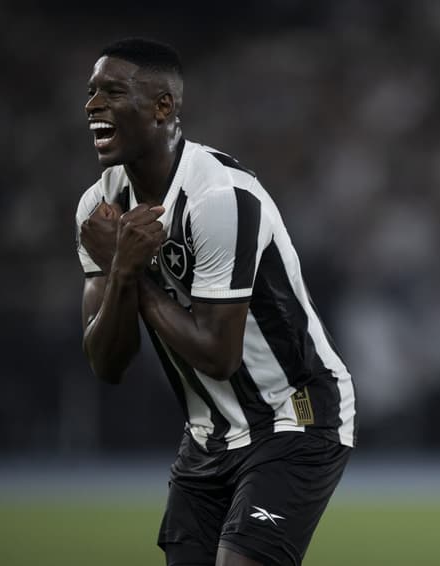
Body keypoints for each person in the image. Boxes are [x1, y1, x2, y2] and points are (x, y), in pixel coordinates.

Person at [75, 38, 357, 566]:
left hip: (294, 413)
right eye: (91, 93)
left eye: (113, 92)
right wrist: (122, 269)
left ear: (164, 107)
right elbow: (106, 362)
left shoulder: (219, 198)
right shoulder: (98, 208)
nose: (92, 106)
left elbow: (218, 353)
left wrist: (129, 272)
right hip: (207, 437)